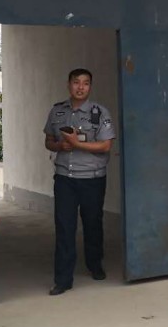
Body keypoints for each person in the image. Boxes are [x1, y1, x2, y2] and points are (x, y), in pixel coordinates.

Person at [43, 69, 116, 296]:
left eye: (86, 83)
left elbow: (106, 145)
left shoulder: (99, 113)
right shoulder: (57, 111)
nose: (81, 87)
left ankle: (95, 264)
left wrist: (76, 144)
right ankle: (63, 279)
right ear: (69, 85)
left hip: (92, 179)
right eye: (76, 82)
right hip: (65, 178)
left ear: (90, 87)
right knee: (64, 227)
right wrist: (59, 146)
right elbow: (48, 140)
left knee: (92, 223)